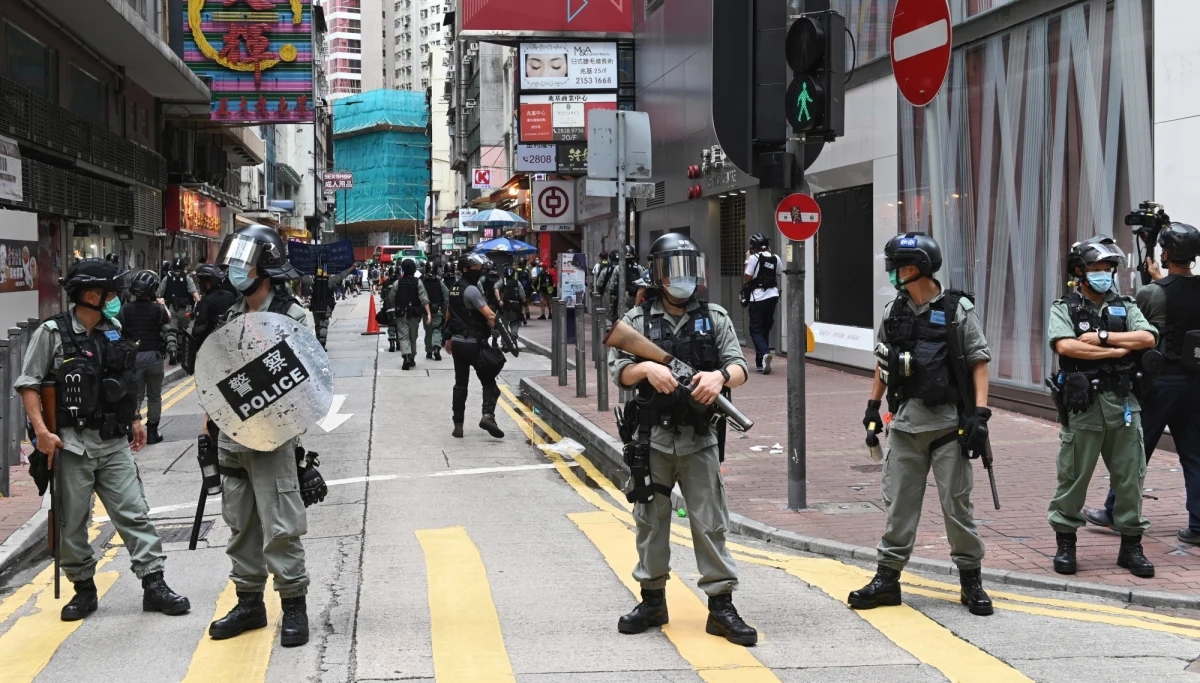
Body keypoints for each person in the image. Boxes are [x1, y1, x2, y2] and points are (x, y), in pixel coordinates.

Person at [15, 258, 190, 621]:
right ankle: (84, 588)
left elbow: (125, 381)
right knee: (72, 522)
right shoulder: (52, 333)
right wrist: (42, 435)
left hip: (112, 442)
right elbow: (29, 385)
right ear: (91, 294)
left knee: (134, 512)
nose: (114, 298)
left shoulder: (113, 329)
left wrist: (137, 419)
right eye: (109, 292)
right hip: (71, 445)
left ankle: (154, 584)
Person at [608, 233, 756, 646]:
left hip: (699, 439)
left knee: (711, 524)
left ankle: (721, 606)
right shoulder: (637, 322)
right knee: (650, 523)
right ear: (657, 275)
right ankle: (652, 600)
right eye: (674, 271)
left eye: (689, 270)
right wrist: (647, 371)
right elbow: (617, 368)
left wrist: (720, 378)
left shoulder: (716, 317)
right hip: (651, 439)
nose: (683, 279)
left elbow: (740, 365)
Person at [850, 232, 995, 617]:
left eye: (901, 266)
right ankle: (887, 579)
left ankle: (971, 581)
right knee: (898, 506)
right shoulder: (892, 312)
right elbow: (882, 363)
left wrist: (980, 415)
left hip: (950, 427)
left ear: (918, 268)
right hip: (905, 426)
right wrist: (872, 406)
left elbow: (979, 360)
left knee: (957, 507)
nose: (895, 273)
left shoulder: (955, 309)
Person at [205, 224, 313, 647]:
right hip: (231, 437)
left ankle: (293, 607)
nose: (236, 269)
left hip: (272, 439)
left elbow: (307, 380)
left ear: (264, 269)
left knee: (281, 525)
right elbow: (216, 375)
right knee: (240, 524)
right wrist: (208, 425)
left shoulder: (292, 316)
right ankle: (249, 603)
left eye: (243, 263)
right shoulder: (230, 314)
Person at [1046, 236, 1158, 579]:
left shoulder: (1125, 304)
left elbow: (1148, 338)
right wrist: (1117, 353)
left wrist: (1103, 339)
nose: (1105, 275)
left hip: (1124, 404)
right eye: (1097, 269)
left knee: (1130, 478)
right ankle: (1066, 542)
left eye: (1108, 269)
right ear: (1079, 272)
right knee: (1074, 477)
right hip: (1084, 407)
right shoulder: (1063, 307)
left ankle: (1131, 546)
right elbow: (1066, 346)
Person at [1083, 224, 1200, 543]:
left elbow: (1139, 322)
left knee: (1134, 449)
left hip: (1159, 384)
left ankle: (1117, 513)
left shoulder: (1152, 292)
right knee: (1194, 453)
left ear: (1165, 254)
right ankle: (1199, 526)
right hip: (1194, 383)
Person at [445, 253, 506, 440]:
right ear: (465, 269)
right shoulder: (471, 290)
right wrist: (503, 332)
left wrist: (448, 339)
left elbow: (449, 315)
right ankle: (488, 416)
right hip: (474, 344)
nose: (479, 271)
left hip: (457, 344)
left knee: (460, 385)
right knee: (489, 383)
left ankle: (458, 426)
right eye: (476, 268)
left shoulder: (454, 288)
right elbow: (489, 316)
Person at [117, 270, 170, 445]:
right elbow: (168, 320)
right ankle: (153, 433)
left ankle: (134, 431)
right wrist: (161, 302)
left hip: (134, 358)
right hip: (154, 357)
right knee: (154, 396)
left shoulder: (125, 310)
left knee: (136, 396)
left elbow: (118, 329)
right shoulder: (158, 309)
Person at [743, 233, 781, 374]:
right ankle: (760, 363)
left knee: (755, 330)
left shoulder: (753, 258)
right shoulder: (776, 258)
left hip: (757, 298)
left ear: (753, 247)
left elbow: (747, 277)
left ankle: (765, 353)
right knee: (765, 328)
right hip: (772, 296)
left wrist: (747, 260)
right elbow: (778, 271)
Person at [388, 258, 431, 368]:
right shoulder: (419, 282)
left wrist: (394, 307)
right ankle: (411, 357)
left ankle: (406, 356)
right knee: (413, 336)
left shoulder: (397, 283)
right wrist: (429, 314)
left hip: (401, 313)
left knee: (403, 336)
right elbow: (424, 299)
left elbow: (391, 298)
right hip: (415, 315)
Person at [190, 264, 239, 356]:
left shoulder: (205, 301)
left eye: (201, 282)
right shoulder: (231, 295)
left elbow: (200, 329)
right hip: (232, 345)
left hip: (211, 348)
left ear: (207, 283)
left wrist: (193, 349)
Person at [157, 257, 199, 364]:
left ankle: (172, 350)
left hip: (171, 308)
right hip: (185, 310)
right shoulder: (187, 278)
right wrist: (200, 302)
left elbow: (159, 293)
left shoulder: (167, 278)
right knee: (182, 331)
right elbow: (194, 292)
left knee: (171, 331)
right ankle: (180, 352)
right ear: (183, 266)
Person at [423, 263, 450, 361]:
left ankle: (429, 352)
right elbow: (447, 297)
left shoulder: (422, 283)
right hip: (438, 311)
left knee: (428, 331)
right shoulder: (440, 283)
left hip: (426, 312)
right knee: (437, 330)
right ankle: (436, 348)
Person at [497, 265, 527, 348]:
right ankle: (513, 339)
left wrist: (499, 300)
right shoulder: (517, 283)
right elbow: (523, 297)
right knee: (514, 324)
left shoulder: (502, 281)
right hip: (515, 307)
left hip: (505, 308)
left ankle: (504, 343)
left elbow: (495, 287)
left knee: (504, 326)